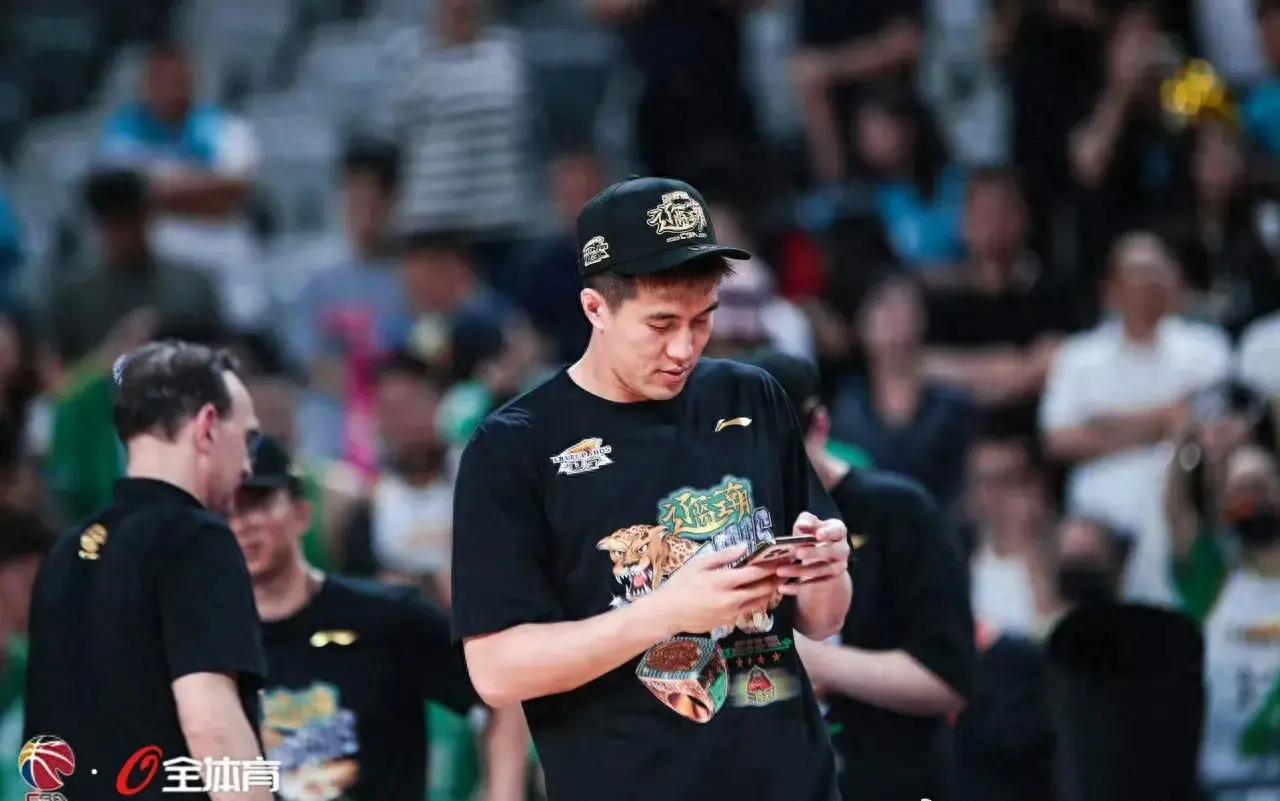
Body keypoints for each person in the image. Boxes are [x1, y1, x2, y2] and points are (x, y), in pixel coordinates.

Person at [451, 176, 851, 801]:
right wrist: (666, 611)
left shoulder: (751, 395)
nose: (684, 347)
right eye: (660, 323)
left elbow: (822, 621)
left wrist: (825, 570)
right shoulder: (514, 447)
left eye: (702, 319)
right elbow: (496, 670)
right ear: (596, 309)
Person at [24, 341, 268, 800]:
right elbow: (212, 726)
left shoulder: (66, 551)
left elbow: (43, 755)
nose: (248, 466)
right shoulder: (197, 538)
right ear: (208, 427)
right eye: (248, 439)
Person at [228, 434, 528, 801]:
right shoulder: (207, 642)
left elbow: (502, 692)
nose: (242, 524)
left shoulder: (386, 618)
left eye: (257, 504)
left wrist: (503, 793)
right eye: (226, 509)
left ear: (302, 513)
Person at [741, 349, 973, 801]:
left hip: (885, 775)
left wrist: (814, 660)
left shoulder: (898, 511)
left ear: (820, 426)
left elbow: (949, 680)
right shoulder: (730, 520)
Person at [1040, 231, 1232, 605]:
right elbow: (1058, 439)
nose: (1147, 283)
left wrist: (1104, 424)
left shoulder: (1207, 348)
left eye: (1157, 271)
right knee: (1074, 543)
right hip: (1099, 518)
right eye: (1136, 273)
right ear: (1111, 288)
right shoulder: (1079, 356)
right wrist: (1164, 419)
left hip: (1185, 508)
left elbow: (1208, 428)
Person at [98, 42, 266, 330]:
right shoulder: (122, 132)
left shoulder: (226, 128)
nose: (171, 90)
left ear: (193, 81)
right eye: (161, 81)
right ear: (146, 85)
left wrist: (161, 190)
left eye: (178, 80)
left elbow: (237, 189)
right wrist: (208, 189)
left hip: (223, 249)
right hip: (157, 256)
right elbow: (126, 195)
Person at [1168, 444, 1280, 794]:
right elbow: (1177, 508)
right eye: (1240, 491)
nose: (1252, 500)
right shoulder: (1212, 584)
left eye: (1259, 487)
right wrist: (1190, 439)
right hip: (1221, 783)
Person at [827, 275, 976, 515]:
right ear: (862, 326)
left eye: (906, 313)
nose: (896, 325)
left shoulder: (951, 407)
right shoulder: (844, 405)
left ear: (922, 322)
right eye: (886, 312)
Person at [47, 169, 225, 365]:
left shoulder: (192, 287)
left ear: (146, 218)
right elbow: (58, 376)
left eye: (129, 220)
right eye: (114, 223)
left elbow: (223, 358)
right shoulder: (74, 296)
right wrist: (109, 355)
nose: (123, 234)